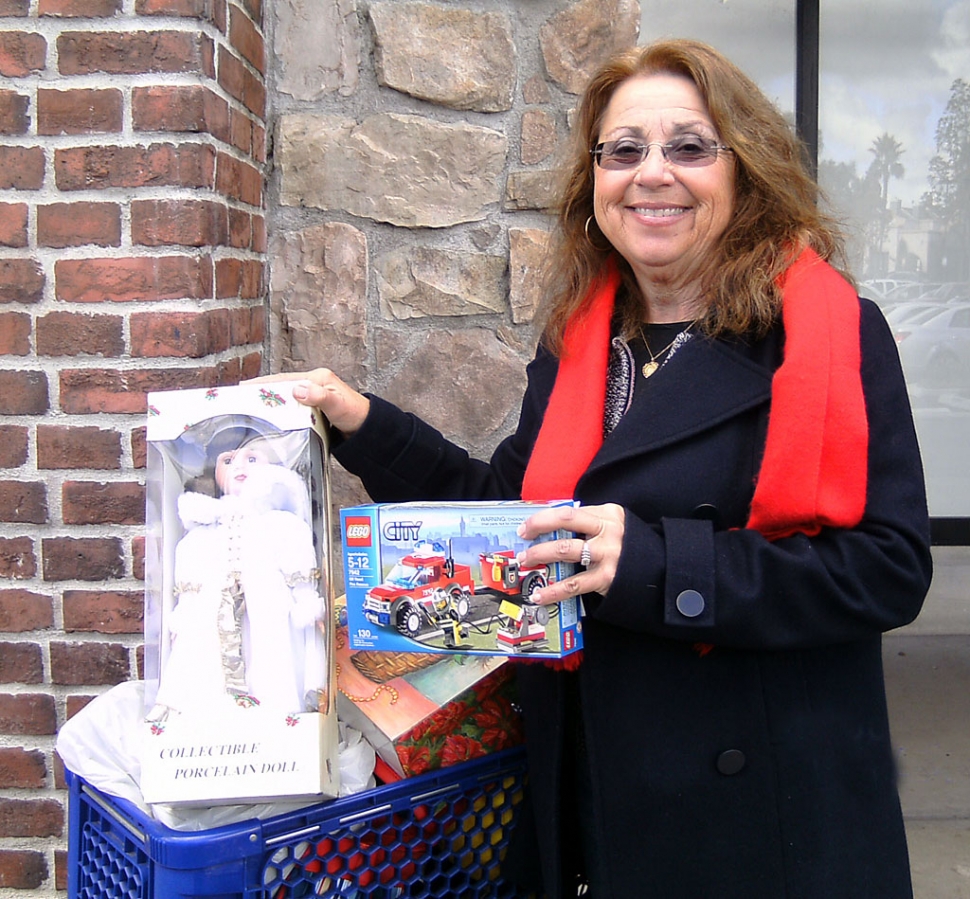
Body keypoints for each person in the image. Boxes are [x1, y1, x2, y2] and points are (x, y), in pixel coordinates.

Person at [256, 38, 932, 899]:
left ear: (745, 171)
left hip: (764, 819)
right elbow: (508, 517)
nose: (653, 173)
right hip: (601, 795)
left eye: (689, 146)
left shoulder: (829, 336)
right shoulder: (581, 341)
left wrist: (655, 562)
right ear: (595, 182)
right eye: (625, 150)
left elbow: (889, 567)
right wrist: (358, 420)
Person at [149, 432, 327, 722]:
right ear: (215, 471)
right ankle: (216, 720)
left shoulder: (282, 523)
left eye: (252, 459)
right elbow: (190, 578)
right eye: (228, 460)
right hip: (211, 612)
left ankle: (276, 715)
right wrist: (182, 615)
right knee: (207, 664)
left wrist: (307, 602)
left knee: (271, 659)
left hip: (269, 607)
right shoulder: (202, 530)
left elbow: (298, 569)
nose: (240, 468)